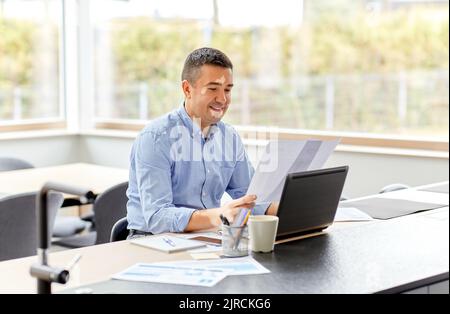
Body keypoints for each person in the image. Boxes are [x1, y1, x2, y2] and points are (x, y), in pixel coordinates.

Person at [126, 47, 276, 238]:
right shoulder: (155, 138)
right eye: (213, 89)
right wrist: (218, 215)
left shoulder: (229, 137)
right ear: (187, 89)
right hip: (152, 240)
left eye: (227, 90)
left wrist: (290, 208)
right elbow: (158, 218)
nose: (222, 99)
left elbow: (250, 198)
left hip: (206, 238)